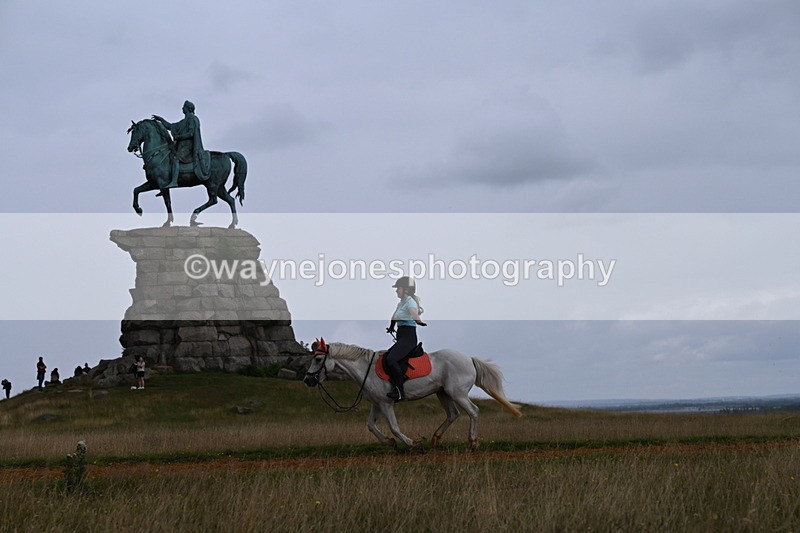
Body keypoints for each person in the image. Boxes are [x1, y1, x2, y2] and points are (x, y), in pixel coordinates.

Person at [384, 277, 427, 402]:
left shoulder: (410, 302)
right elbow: (394, 317)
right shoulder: (401, 303)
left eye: (398, 288)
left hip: (408, 337)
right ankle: (394, 386)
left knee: (392, 359)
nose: (396, 291)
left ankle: (400, 392)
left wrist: (418, 321)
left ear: (406, 290)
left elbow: (413, 312)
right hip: (401, 335)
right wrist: (391, 328)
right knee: (387, 358)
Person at [151, 100, 210, 189]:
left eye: (184, 107)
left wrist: (179, 137)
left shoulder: (193, 119)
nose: (182, 108)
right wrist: (161, 119)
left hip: (188, 146)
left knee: (175, 159)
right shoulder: (183, 121)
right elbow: (170, 126)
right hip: (181, 146)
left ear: (188, 109)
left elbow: (191, 133)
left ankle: (174, 181)